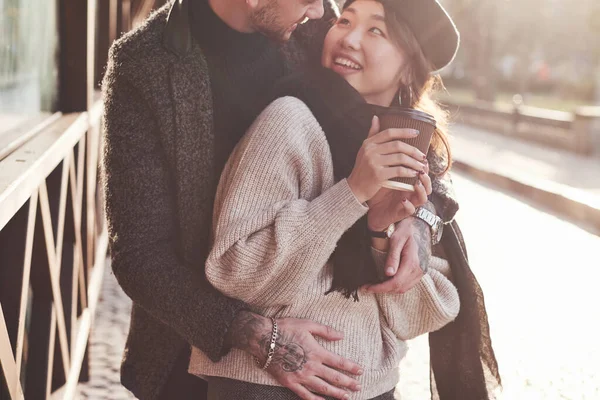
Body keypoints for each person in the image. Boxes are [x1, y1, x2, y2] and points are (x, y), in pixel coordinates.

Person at [100, 0, 465, 399]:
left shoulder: (315, 30)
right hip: (195, 349)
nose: (319, 10)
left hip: (349, 361)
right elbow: (140, 255)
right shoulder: (144, 64)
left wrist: (420, 219)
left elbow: (406, 120)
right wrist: (258, 336)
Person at [188, 0, 501, 399]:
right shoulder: (289, 120)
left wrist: (379, 234)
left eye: (376, 31)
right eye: (346, 21)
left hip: (372, 387)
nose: (348, 38)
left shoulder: (412, 153)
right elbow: (235, 273)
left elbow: (421, 315)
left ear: (409, 66)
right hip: (263, 385)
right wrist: (351, 194)